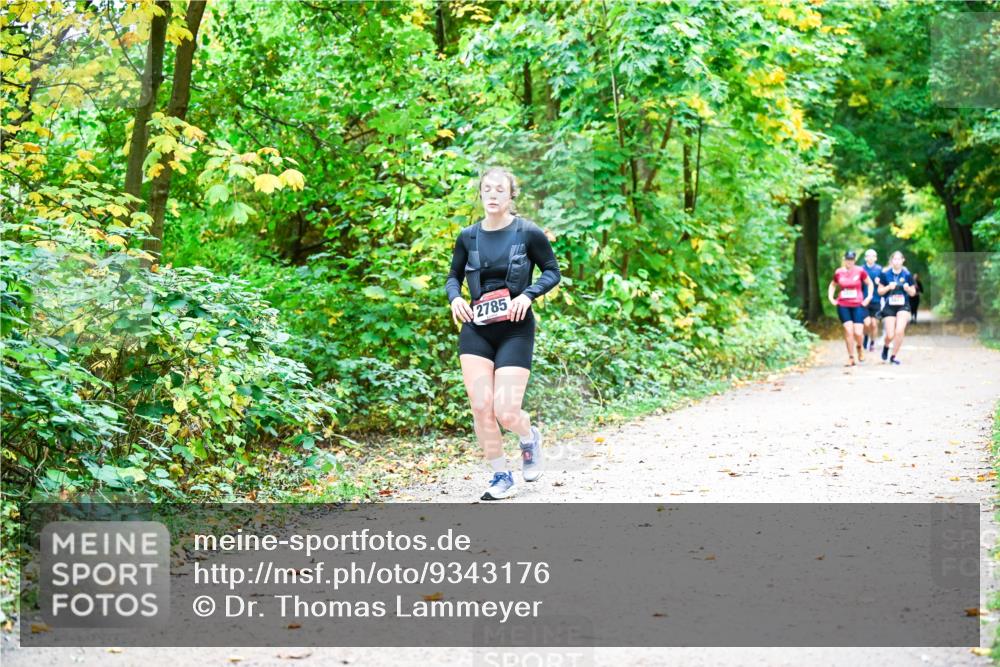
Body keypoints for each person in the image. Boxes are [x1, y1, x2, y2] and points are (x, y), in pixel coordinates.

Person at [445, 166, 561, 500]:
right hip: (476, 329)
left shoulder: (528, 233)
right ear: (480, 194)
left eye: (500, 189)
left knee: (506, 411)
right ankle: (500, 474)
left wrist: (528, 295)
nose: (493, 194)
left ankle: (528, 437)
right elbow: (453, 276)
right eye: (487, 189)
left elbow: (552, 272)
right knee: (481, 406)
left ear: (511, 196)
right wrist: (455, 298)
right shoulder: (468, 236)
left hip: (515, 330)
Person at [828, 249, 875, 366]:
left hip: (858, 304)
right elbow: (833, 284)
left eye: (852, 260)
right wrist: (831, 297)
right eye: (848, 259)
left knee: (858, 333)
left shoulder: (860, 271)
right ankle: (851, 357)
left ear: (854, 260)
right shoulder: (839, 272)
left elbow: (870, 283)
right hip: (843, 304)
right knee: (849, 331)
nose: (850, 262)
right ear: (844, 260)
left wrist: (868, 297)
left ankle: (859, 347)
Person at [878, 250, 917, 365]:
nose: (897, 261)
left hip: (903, 305)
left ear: (903, 261)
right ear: (891, 261)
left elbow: (913, 293)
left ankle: (893, 356)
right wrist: (888, 287)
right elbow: (880, 291)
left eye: (899, 259)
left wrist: (908, 289)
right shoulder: (885, 274)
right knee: (890, 335)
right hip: (889, 306)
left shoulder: (907, 275)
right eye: (894, 259)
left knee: (899, 331)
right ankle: (886, 346)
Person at [861, 249, 882, 352]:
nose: (871, 258)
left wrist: (880, 283)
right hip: (864, 300)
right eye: (868, 256)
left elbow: (884, 284)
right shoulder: (861, 269)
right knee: (866, 323)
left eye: (873, 256)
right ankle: (865, 337)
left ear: (876, 258)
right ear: (865, 258)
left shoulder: (879, 269)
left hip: (876, 300)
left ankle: (872, 342)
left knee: (874, 324)